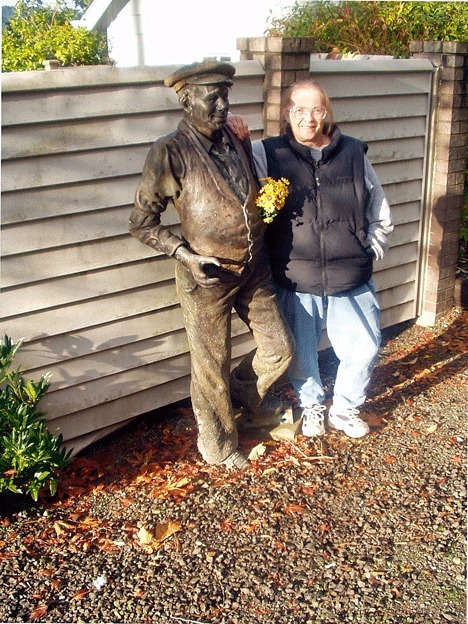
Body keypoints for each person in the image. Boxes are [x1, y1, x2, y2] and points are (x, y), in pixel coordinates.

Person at [129, 61, 294, 469]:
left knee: (280, 349)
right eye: (212, 96)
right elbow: (141, 223)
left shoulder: (236, 137)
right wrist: (185, 255)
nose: (222, 105)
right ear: (186, 100)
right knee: (210, 366)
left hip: (255, 269)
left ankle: (239, 398)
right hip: (207, 277)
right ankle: (218, 445)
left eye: (226, 95)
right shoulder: (168, 152)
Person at [227, 79, 393, 439]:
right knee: (302, 355)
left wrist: (374, 241)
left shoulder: (351, 152)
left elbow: (376, 198)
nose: (309, 118)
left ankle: (345, 408)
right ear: (288, 112)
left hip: (351, 273)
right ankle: (313, 404)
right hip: (296, 276)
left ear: (327, 112)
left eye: (317, 109)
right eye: (300, 109)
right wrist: (232, 125)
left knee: (364, 347)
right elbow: (228, 165)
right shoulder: (267, 152)